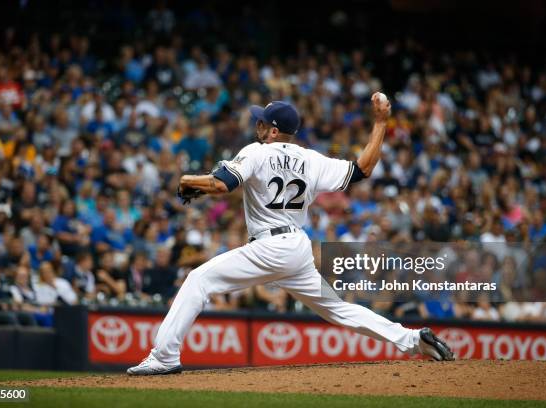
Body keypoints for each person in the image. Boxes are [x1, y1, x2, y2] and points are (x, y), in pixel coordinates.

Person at [128, 94, 454, 375]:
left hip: (271, 246)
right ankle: (412, 339)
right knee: (338, 309)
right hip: (296, 248)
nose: (257, 126)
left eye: (261, 122)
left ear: (272, 130)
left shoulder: (257, 151)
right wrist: (381, 123)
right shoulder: (310, 159)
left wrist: (188, 179)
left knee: (199, 280)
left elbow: (221, 184)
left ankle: (164, 357)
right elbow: (362, 169)